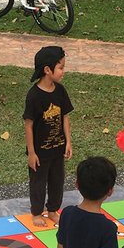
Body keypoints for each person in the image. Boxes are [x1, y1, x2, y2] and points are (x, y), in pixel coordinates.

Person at [23, 45, 73, 228]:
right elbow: (28, 125)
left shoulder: (60, 91)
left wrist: (68, 142)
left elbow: (65, 117)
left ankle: (53, 210)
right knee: (38, 182)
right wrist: (31, 153)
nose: (63, 72)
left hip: (57, 149)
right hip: (40, 152)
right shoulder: (34, 96)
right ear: (47, 70)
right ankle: (36, 212)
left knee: (57, 181)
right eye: (60, 67)